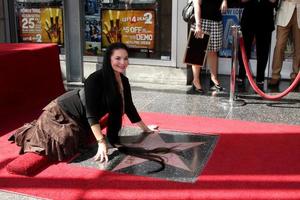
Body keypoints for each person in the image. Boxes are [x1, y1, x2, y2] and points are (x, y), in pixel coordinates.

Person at [9, 42, 163, 165]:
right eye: (118, 58)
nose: (123, 63)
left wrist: (145, 128)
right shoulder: (94, 79)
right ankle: (30, 131)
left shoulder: (124, 81)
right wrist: (101, 142)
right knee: (63, 144)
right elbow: (91, 113)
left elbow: (128, 106)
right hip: (61, 112)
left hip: (79, 119)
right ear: (108, 59)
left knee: (77, 140)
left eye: (126, 58)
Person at [237, 0, 277, 87]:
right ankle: (241, 75)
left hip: (266, 20)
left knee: (263, 51)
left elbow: (273, 1)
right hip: (248, 19)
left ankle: (260, 78)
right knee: (244, 49)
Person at [191, 0, 228, 94]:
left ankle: (214, 79)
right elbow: (196, 4)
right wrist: (198, 25)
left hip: (216, 21)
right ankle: (195, 80)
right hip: (201, 21)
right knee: (198, 52)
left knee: (213, 51)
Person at [268, 0, 300, 86]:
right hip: (284, 12)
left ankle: (295, 75)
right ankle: (275, 75)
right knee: (280, 45)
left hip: (299, 11)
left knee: (298, 47)